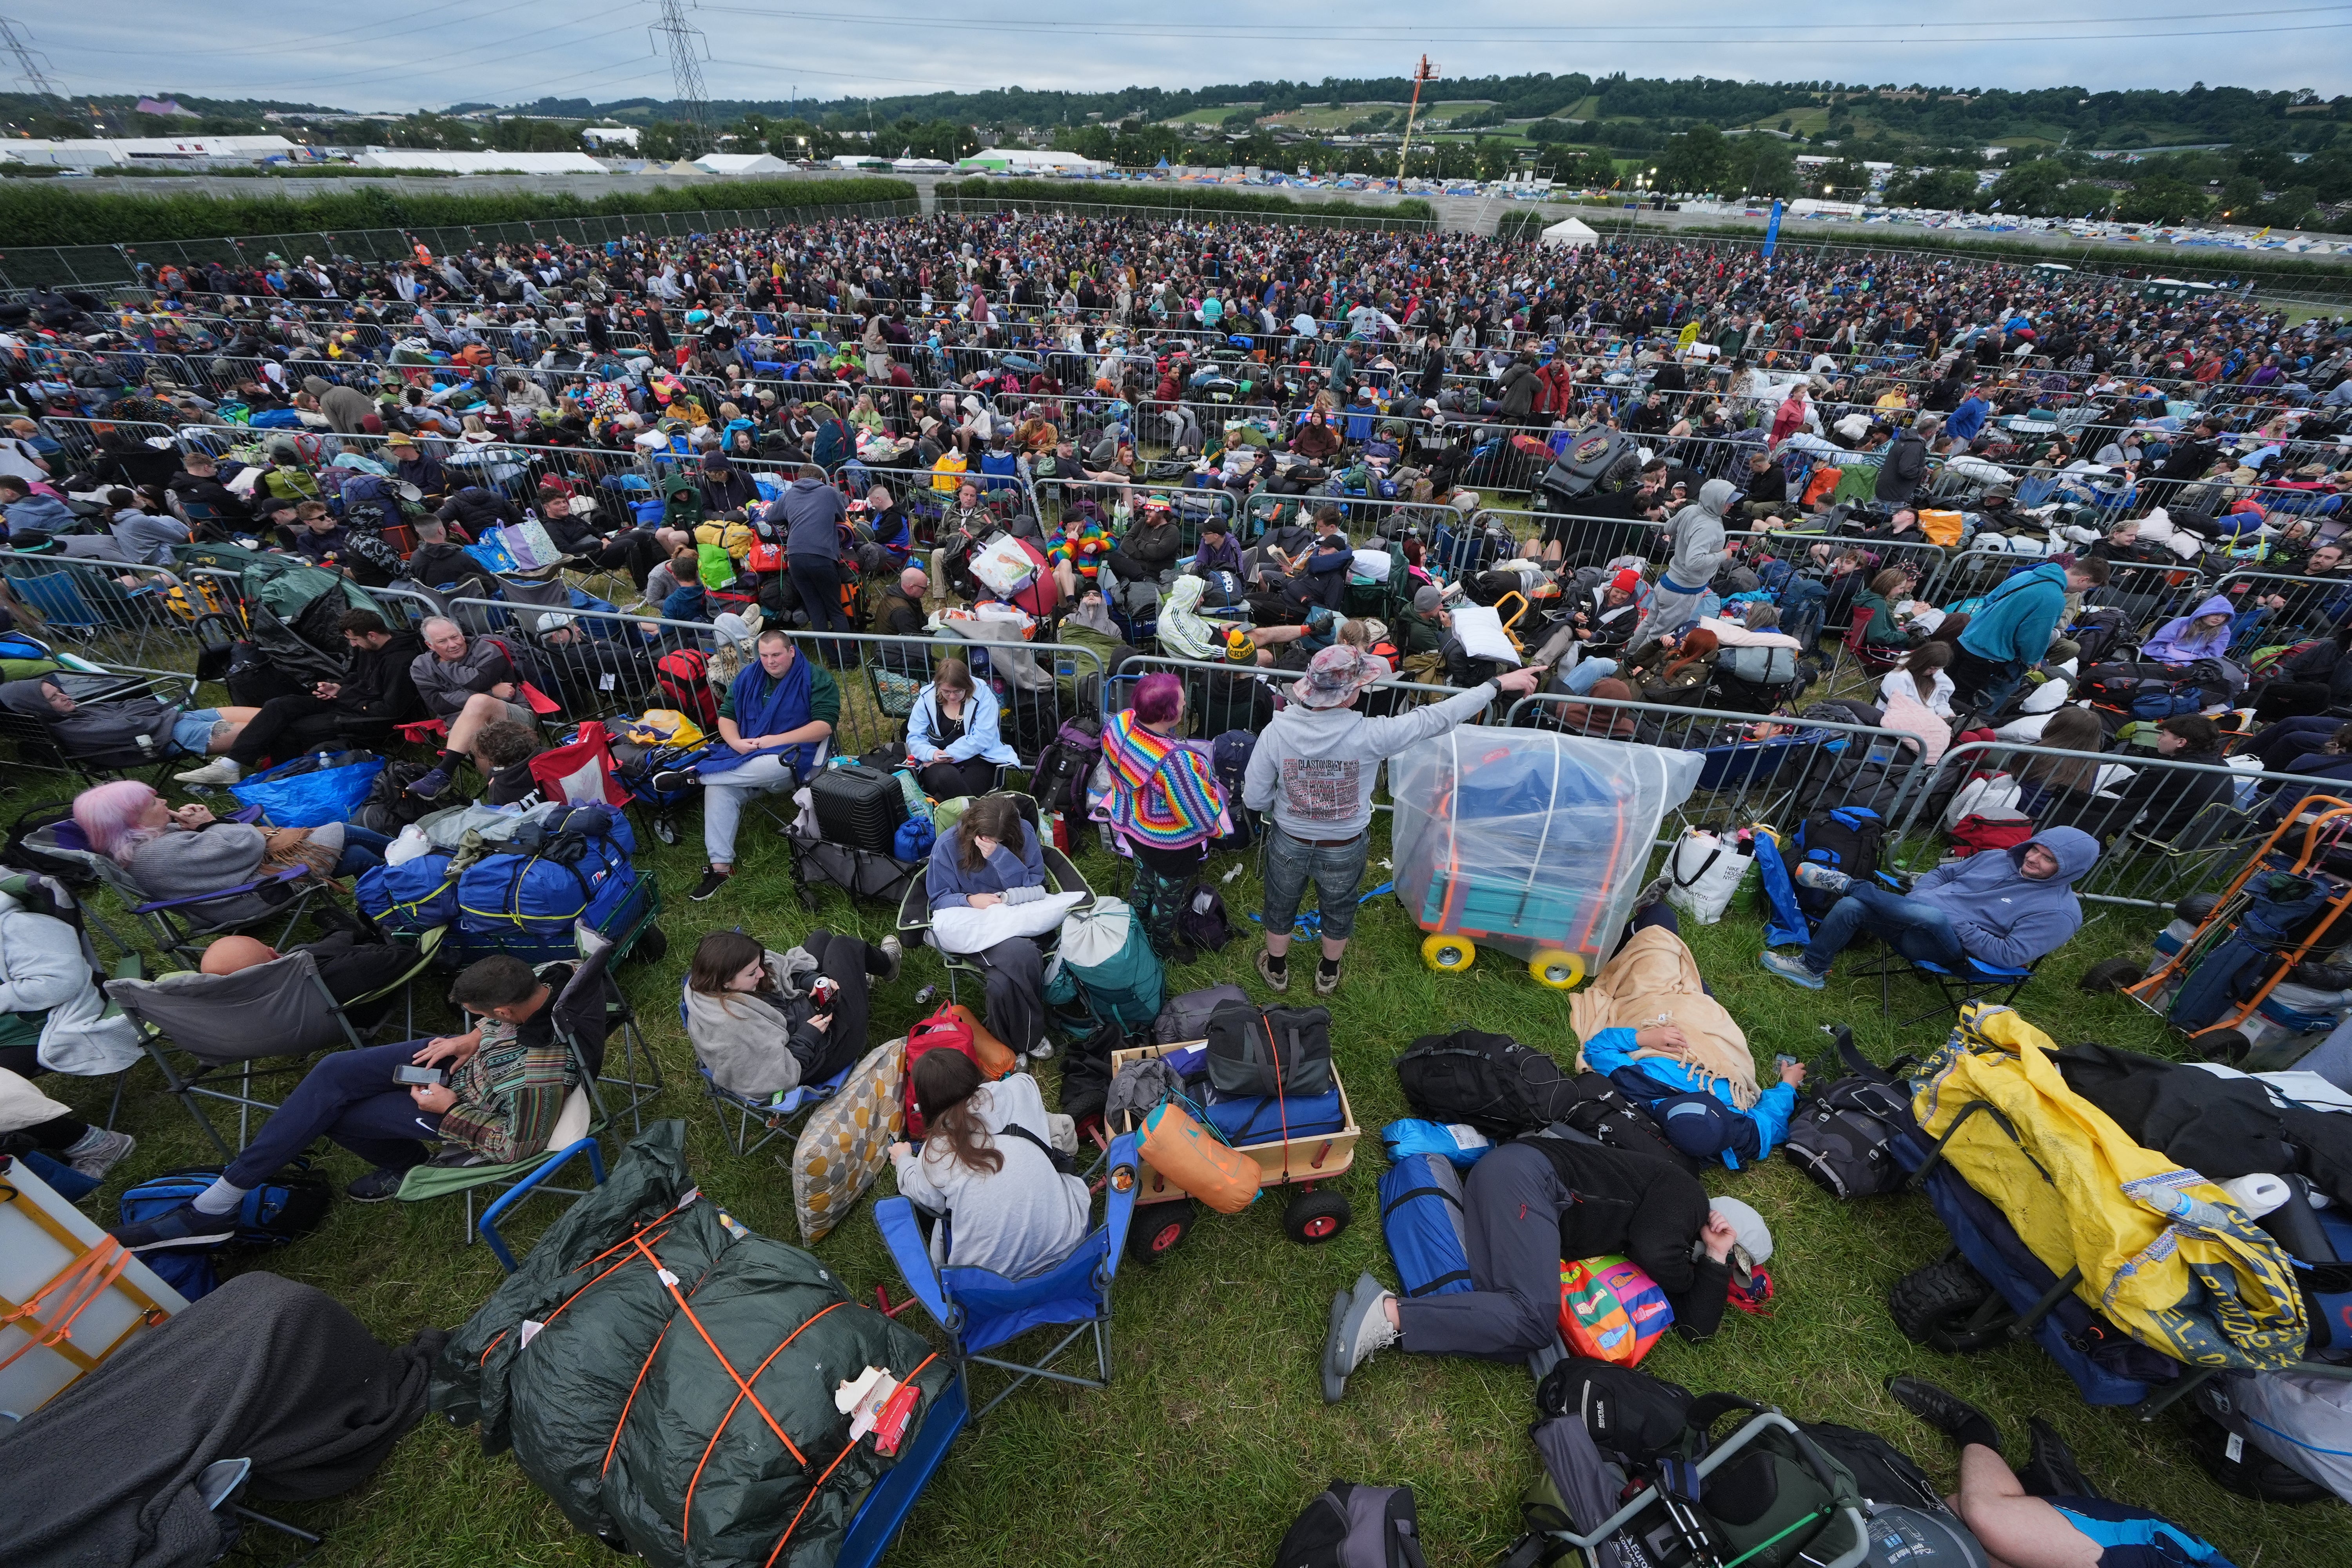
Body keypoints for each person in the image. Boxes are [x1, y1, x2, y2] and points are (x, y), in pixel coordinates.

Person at [108, 954, 577, 1241]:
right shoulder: (555, 979)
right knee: (334, 1071)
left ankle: (216, 1207)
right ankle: (224, 1196)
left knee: (339, 1114)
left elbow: (517, 1146)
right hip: (472, 1063)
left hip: (473, 1102)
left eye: (478, 1014)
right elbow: (520, 1002)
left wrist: (449, 1110)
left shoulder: (536, 1075)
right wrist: (472, 1036)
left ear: (504, 1009)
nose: (474, 1018)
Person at [1321, 1139, 1766, 1401]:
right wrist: (1710, 1258)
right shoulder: (1686, 1195)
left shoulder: (1681, 1242)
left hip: (1518, 1193)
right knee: (1534, 1320)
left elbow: (1697, 1330)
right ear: (1720, 1223)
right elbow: (1655, 1251)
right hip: (1527, 1179)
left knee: (1514, 1337)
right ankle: (1387, 1314)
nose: (1729, 1271)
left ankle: (1375, 1322)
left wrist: (1712, 1260)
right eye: (1734, 1259)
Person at [1244, 643, 1547, 996]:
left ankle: (1277, 968)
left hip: (1290, 839)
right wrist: (1495, 685)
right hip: (1344, 843)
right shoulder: (1373, 734)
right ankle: (1328, 973)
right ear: (1348, 695)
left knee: (1280, 902)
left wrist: (1280, 808)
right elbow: (1439, 717)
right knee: (1339, 906)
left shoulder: (1276, 733)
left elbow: (1255, 797)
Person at [1884, 1376, 2242, 1568]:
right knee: (1981, 1515)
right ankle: (1974, 1431)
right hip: (2157, 1558)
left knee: (1950, 1536)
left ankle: (2053, 1493)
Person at [1760, 826, 2099, 989]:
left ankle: (1849, 882)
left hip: (1954, 953)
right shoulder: (1998, 859)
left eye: (2048, 859)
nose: (2034, 859)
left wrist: (1951, 919)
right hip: (1911, 916)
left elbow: (2008, 955)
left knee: (1932, 915)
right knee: (1851, 907)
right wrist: (1924, 893)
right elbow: (1943, 873)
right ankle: (1812, 968)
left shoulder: (2060, 913)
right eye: (2035, 850)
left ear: (2070, 869)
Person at [653, 629, 838, 902]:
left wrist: (774, 740)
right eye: (764, 656)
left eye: (776, 655)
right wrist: (736, 742)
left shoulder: (816, 678)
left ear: (791, 651)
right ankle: (720, 868)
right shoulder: (749, 676)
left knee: (774, 764)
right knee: (720, 788)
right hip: (745, 755)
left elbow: (824, 726)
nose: (770, 661)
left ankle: (696, 778)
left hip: (793, 758)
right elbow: (726, 716)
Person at [888, 1049, 1089, 1277]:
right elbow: (1019, 1090)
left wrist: (903, 1159)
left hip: (994, 1281)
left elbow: (927, 1199)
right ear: (974, 1070)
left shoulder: (933, 1153)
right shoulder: (1022, 1086)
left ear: (926, 1103)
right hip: (1070, 1247)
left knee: (939, 1217)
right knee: (1050, 1126)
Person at [175, 608, 425, 786]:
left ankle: (286, 779)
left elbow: (391, 709)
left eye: (354, 640)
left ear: (372, 635)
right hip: (348, 702)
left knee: (288, 730)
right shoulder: (368, 648)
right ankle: (231, 764)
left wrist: (344, 694)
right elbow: (354, 678)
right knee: (279, 705)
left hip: (369, 717)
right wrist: (335, 686)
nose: (353, 646)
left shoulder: (400, 661)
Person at [73, 779, 389, 911]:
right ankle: (426, 860)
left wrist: (202, 827)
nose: (165, 800)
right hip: (250, 896)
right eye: (153, 803)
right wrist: (209, 823)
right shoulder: (158, 853)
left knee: (359, 856)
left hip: (238, 888)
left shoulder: (142, 845)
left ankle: (400, 890)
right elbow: (245, 846)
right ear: (134, 822)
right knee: (342, 830)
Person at [682, 927, 903, 1098]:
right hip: (824, 1052)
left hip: (803, 1014)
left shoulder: (720, 983)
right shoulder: (732, 1027)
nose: (761, 973)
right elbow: (776, 1077)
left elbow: (781, 976)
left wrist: (813, 982)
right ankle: (887, 966)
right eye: (752, 973)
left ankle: (854, 979)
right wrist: (809, 1035)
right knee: (843, 946)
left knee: (821, 938)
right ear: (727, 982)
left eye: (759, 965)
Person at [1098, 673, 1228, 959]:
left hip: (1133, 827)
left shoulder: (1120, 725)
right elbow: (1201, 816)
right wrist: (1217, 802)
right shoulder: (1175, 762)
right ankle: (1160, 946)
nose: (1184, 705)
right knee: (1167, 898)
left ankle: (1135, 925)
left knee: (1144, 879)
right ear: (1170, 714)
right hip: (1169, 844)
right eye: (1182, 702)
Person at [926, 792, 1054, 1058]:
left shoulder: (1024, 832)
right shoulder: (948, 845)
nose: (992, 845)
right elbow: (938, 899)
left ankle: (1007, 1046)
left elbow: (1034, 883)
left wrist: (1000, 856)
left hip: (1018, 916)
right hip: (976, 926)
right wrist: (970, 899)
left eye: (1001, 841)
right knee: (1025, 955)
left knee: (1000, 985)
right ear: (972, 830)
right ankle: (1031, 1038)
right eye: (988, 841)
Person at [1579, 1022, 1805, 1170]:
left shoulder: (1636, 1084)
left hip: (1665, 1027)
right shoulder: (1743, 1134)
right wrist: (1788, 1083)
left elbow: (1597, 1048)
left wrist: (1644, 1038)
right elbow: (1774, 1120)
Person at [0, 673, 257, 771]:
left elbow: (128, 707)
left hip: (175, 720)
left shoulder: (75, 713)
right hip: (175, 736)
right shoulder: (74, 731)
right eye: (54, 698)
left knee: (269, 713)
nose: (65, 697)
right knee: (263, 729)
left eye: (59, 691)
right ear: (36, 707)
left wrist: (143, 714)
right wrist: (143, 715)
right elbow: (132, 725)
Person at [405, 617, 541, 800]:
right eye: (442, 642)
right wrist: (491, 692)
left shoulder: (486, 649)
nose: (453, 645)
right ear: (429, 645)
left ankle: (443, 772)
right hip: (463, 727)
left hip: (513, 714)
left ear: (462, 634)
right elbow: (438, 704)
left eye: (455, 637)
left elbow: (479, 681)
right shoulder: (421, 667)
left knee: (479, 703)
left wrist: (445, 667)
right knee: (482, 741)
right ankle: (505, 798)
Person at [1949, 557, 2108, 714]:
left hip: (1967, 638)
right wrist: (2033, 659)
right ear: (2084, 580)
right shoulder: (2054, 598)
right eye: (2088, 587)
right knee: (1959, 701)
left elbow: (1989, 600)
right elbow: (2033, 636)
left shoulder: (2026, 575)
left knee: (1943, 688)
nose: (2083, 592)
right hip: (1989, 653)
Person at [1627, 478, 1734, 655]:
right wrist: (1724, 555)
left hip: (1668, 582)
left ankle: (1627, 657)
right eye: (1727, 501)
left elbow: (1668, 528)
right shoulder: (1709, 526)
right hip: (1683, 591)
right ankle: (1631, 665)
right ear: (1716, 500)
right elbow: (1695, 562)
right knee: (1658, 636)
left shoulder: (1692, 510)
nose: (1731, 505)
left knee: (1648, 624)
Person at [905, 657, 1017, 801]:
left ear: (968, 686)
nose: (952, 696)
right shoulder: (927, 698)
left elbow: (982, 738)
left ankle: (948, 812)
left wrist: (946, 755)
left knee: (944, 796)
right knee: (948, 778)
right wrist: (931, 753)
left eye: (958, 691)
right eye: (946, 691)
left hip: (979, 758)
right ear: (938, 686)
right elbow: (915, 736)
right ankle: (976, 817)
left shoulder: (984, 696)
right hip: (935, 762)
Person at [770, 461, 853, 657]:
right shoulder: (829, 492)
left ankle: (831, 658)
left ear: (799, 478)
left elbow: (772, 516)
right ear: (822, 479)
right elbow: (842, 515)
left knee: (815, 609)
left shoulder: (789, 494)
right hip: (823, 556)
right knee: (835, 609)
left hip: (796, 557)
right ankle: (847, 659)